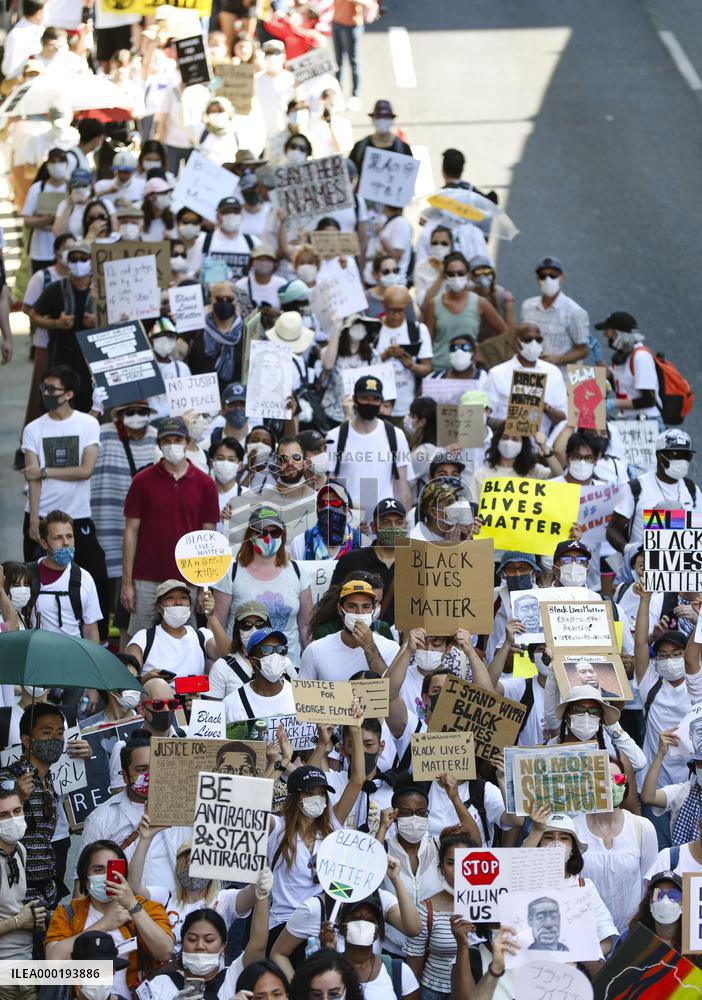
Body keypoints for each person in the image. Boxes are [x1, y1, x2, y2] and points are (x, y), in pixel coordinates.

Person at [121, 415, 219, 637]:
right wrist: (127, 583)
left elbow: (208, 538)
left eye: (177, 439)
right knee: (139, 638)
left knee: (188, 638)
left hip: (188, 580)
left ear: (187, 442)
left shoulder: (205, 484)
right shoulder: (141, 481)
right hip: (146, 577)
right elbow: (130, 531)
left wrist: (204, 586)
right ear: (159, 444)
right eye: (167, 440)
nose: (172, 445)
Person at [45, 839, 174, 992]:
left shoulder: (146, 907)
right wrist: (103, 925)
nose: (107, 876)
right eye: (98, 869)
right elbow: (52, 961)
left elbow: (165, 953)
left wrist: (132, 906)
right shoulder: (68, 913)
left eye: (113, 869)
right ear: (85, 879)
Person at [267, 755, 364, 937]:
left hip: (320, 926)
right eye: (310, 793)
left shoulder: (331, 827)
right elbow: (250, 805)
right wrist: (279, 764)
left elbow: (358, 780)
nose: (317, 799)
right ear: (295, 796)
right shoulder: (278, 829)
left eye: (321, 793)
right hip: (283, 923)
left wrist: (355, 729)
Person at [212, 503, 313, 660]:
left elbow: (306, 626)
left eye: (275, 532)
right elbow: (216, 624)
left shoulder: (298, 572)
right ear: (250, 535)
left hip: (288, 665)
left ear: (283, 535)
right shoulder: (231, 573)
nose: (268, 538)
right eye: (261, 532)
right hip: (241, 666)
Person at [522, 811, 618, 961]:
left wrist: (578, 957)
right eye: (548, 837)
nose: (556, 842)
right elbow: (517, 867)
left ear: (573, 849)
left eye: (564, 838)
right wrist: (536, 830)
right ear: (539, 844)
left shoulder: (585, 887)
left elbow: (606, 940)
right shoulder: (525, 884)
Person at [326, 376, 413, 521]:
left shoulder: (396, 436)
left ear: (381, 401)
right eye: (365, 398)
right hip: (347, 523)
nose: (370, 403)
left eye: (375, 399)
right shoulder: (335, 436)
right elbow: (329, 483)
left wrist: (404, 526)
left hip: (385, 523)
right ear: (354, 399)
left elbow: (402, 486)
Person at [404, 828, 477, 999]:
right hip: (434, 993)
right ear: (442, 868)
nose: (459, 869)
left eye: (465, 862)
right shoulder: (426, 910)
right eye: (451, 863)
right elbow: (414, 966)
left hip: (477, 990)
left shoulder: (492, 906)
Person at [607, 429, 700, 551]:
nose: (681, 461)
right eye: (675, 455)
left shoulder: (692, 489)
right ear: (659, 456)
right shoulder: (636, 488)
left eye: (686, 456)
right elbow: (613, 530)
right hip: (643, 566)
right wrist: (630, 551)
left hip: (682, 564)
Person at [31, 242, 96, 411]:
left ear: (91, 261)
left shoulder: (100, 291)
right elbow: (34, 316)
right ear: (67, 261)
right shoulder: (55, 289)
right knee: (52, 408)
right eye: (73, 259)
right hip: (60, 359)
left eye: (83, 258)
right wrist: (55, 324)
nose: (78, 263)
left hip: (91, 365)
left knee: (89, 410)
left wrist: (98, 323)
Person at [318, 895, 420, 999]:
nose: (362, 924)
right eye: (355, 918)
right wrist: (327, 954)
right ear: (342, 927)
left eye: (369, 920)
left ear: (378, 930)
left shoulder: (400, 972)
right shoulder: (324, 969)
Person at [299, 579, 399, 682]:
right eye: (352, 606)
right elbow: (303, 695)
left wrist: (370, 646)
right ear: (340, 609)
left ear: (373, 610)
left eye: (366, 606)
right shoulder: (315, 650)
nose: (359, 613)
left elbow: (390, 692)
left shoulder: (390, 648)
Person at [331, 498, 409, 625]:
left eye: (399, 522)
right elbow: (333, 606)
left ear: (405, 526)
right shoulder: (351, 561)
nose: (393, 528)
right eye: (386, 522)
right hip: (357, 637)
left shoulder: (417, 563)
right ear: (373, 527)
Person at [423, 252, 507, 370]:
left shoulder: (480, 303)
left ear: (468, 275)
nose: (456, 277)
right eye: (451, 274)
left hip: (470, 371)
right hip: (440, 369)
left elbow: (506, 333)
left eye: (460, 273)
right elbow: (426, 343)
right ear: (445, 276)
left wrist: (484, 352)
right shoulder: (434, 304)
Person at [126, 579, 222, 679]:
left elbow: (224, 654)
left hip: (194, 693)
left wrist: (211, 616)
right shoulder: (143, 638)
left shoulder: (201, 636)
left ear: (190, 605)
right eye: (170, 598)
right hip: (157, 693)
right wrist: (147, 679)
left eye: (183, 597)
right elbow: (129, 677)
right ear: (158, 607)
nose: (178, 602)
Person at [29, 510, 102, 642]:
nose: (66, 543)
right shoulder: (27, 575)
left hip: (74, 657)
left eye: (69, 536)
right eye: (58, 538)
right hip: (37, 655)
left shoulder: (84, 578)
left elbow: (90, 631)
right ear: (43, 543)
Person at [483, 323, 567, 435]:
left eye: (538, 339)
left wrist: (543, 406)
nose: (534, 343)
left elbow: (563, 418)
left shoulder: (553, 372)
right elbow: (486, 418)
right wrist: (511, 426)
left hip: (540, 447)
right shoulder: (497, 373)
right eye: (528, 339)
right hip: (505, 443)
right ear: (516, 341)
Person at [0, 785, 46, 966]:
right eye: (3, 815)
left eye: (17, 811)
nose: (13, 819)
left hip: (25, 961)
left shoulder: (20, 850)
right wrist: (19, 921)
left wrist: (33, 916)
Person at [520, 256, 589, 369]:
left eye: (553, 276)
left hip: (560, 376)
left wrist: (558, 359)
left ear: (562, 278)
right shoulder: (527, 306)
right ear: (537, 280)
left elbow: (583, 350)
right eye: (543, 276)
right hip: (531, 373)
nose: (548, 280)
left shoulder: (575, 312)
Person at [376, 286, 433, 419]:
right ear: (383, 306)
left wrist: (411, 365)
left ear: (407, 306)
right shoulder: (374, 330)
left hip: (408, 408)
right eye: (392, 310)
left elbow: (427, 368)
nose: (396, 315)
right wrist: (385, 355)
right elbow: (363, 366)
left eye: (401, 310)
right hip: (377, 408)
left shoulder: (418, 330)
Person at [222, 627, 297, 722]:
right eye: (266, 650)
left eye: (281, 649)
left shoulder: (300, 697)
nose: (275, 655)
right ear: (253, 661)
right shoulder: (232, 704)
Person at [596, 310, 661, 420]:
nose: (605, 334)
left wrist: (613, 403)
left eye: (608, 331)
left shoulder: (641, 357)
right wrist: (598, 361)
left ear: (618, 334)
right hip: (629, 421)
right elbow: (623, 390)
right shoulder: (622, 356)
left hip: (646, 423)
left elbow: (648, 400)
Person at [320, 313, 382, 425]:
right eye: (354, 324)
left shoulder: (373, 356)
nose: (358, 328)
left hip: (362, 416)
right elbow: (328, 366)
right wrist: (336, 330)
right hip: (334, 414)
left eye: (361, 325)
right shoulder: (332, 352)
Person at [207, 600, 271, 699]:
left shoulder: (283, 662)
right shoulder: (222, 667)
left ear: (269, 628)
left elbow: (299, 703)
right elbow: (212, 710)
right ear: (237, 630)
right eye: (246, 625)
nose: (254, 630)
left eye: (260, 624)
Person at [291, 481, 362, 561]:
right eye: (323, 503)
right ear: (317, 510)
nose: (328, 508)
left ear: (346, 510)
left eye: (335, 503)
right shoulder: (300, 543)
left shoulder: (361, 543)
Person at [350, 100, 412, 172]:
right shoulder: (360, 147)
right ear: (373, 119)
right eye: (378, 117)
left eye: (386, 118)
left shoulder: (404, 149)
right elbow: (349, 172)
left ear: (392, 120)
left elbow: (409, 175)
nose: (382, 121)